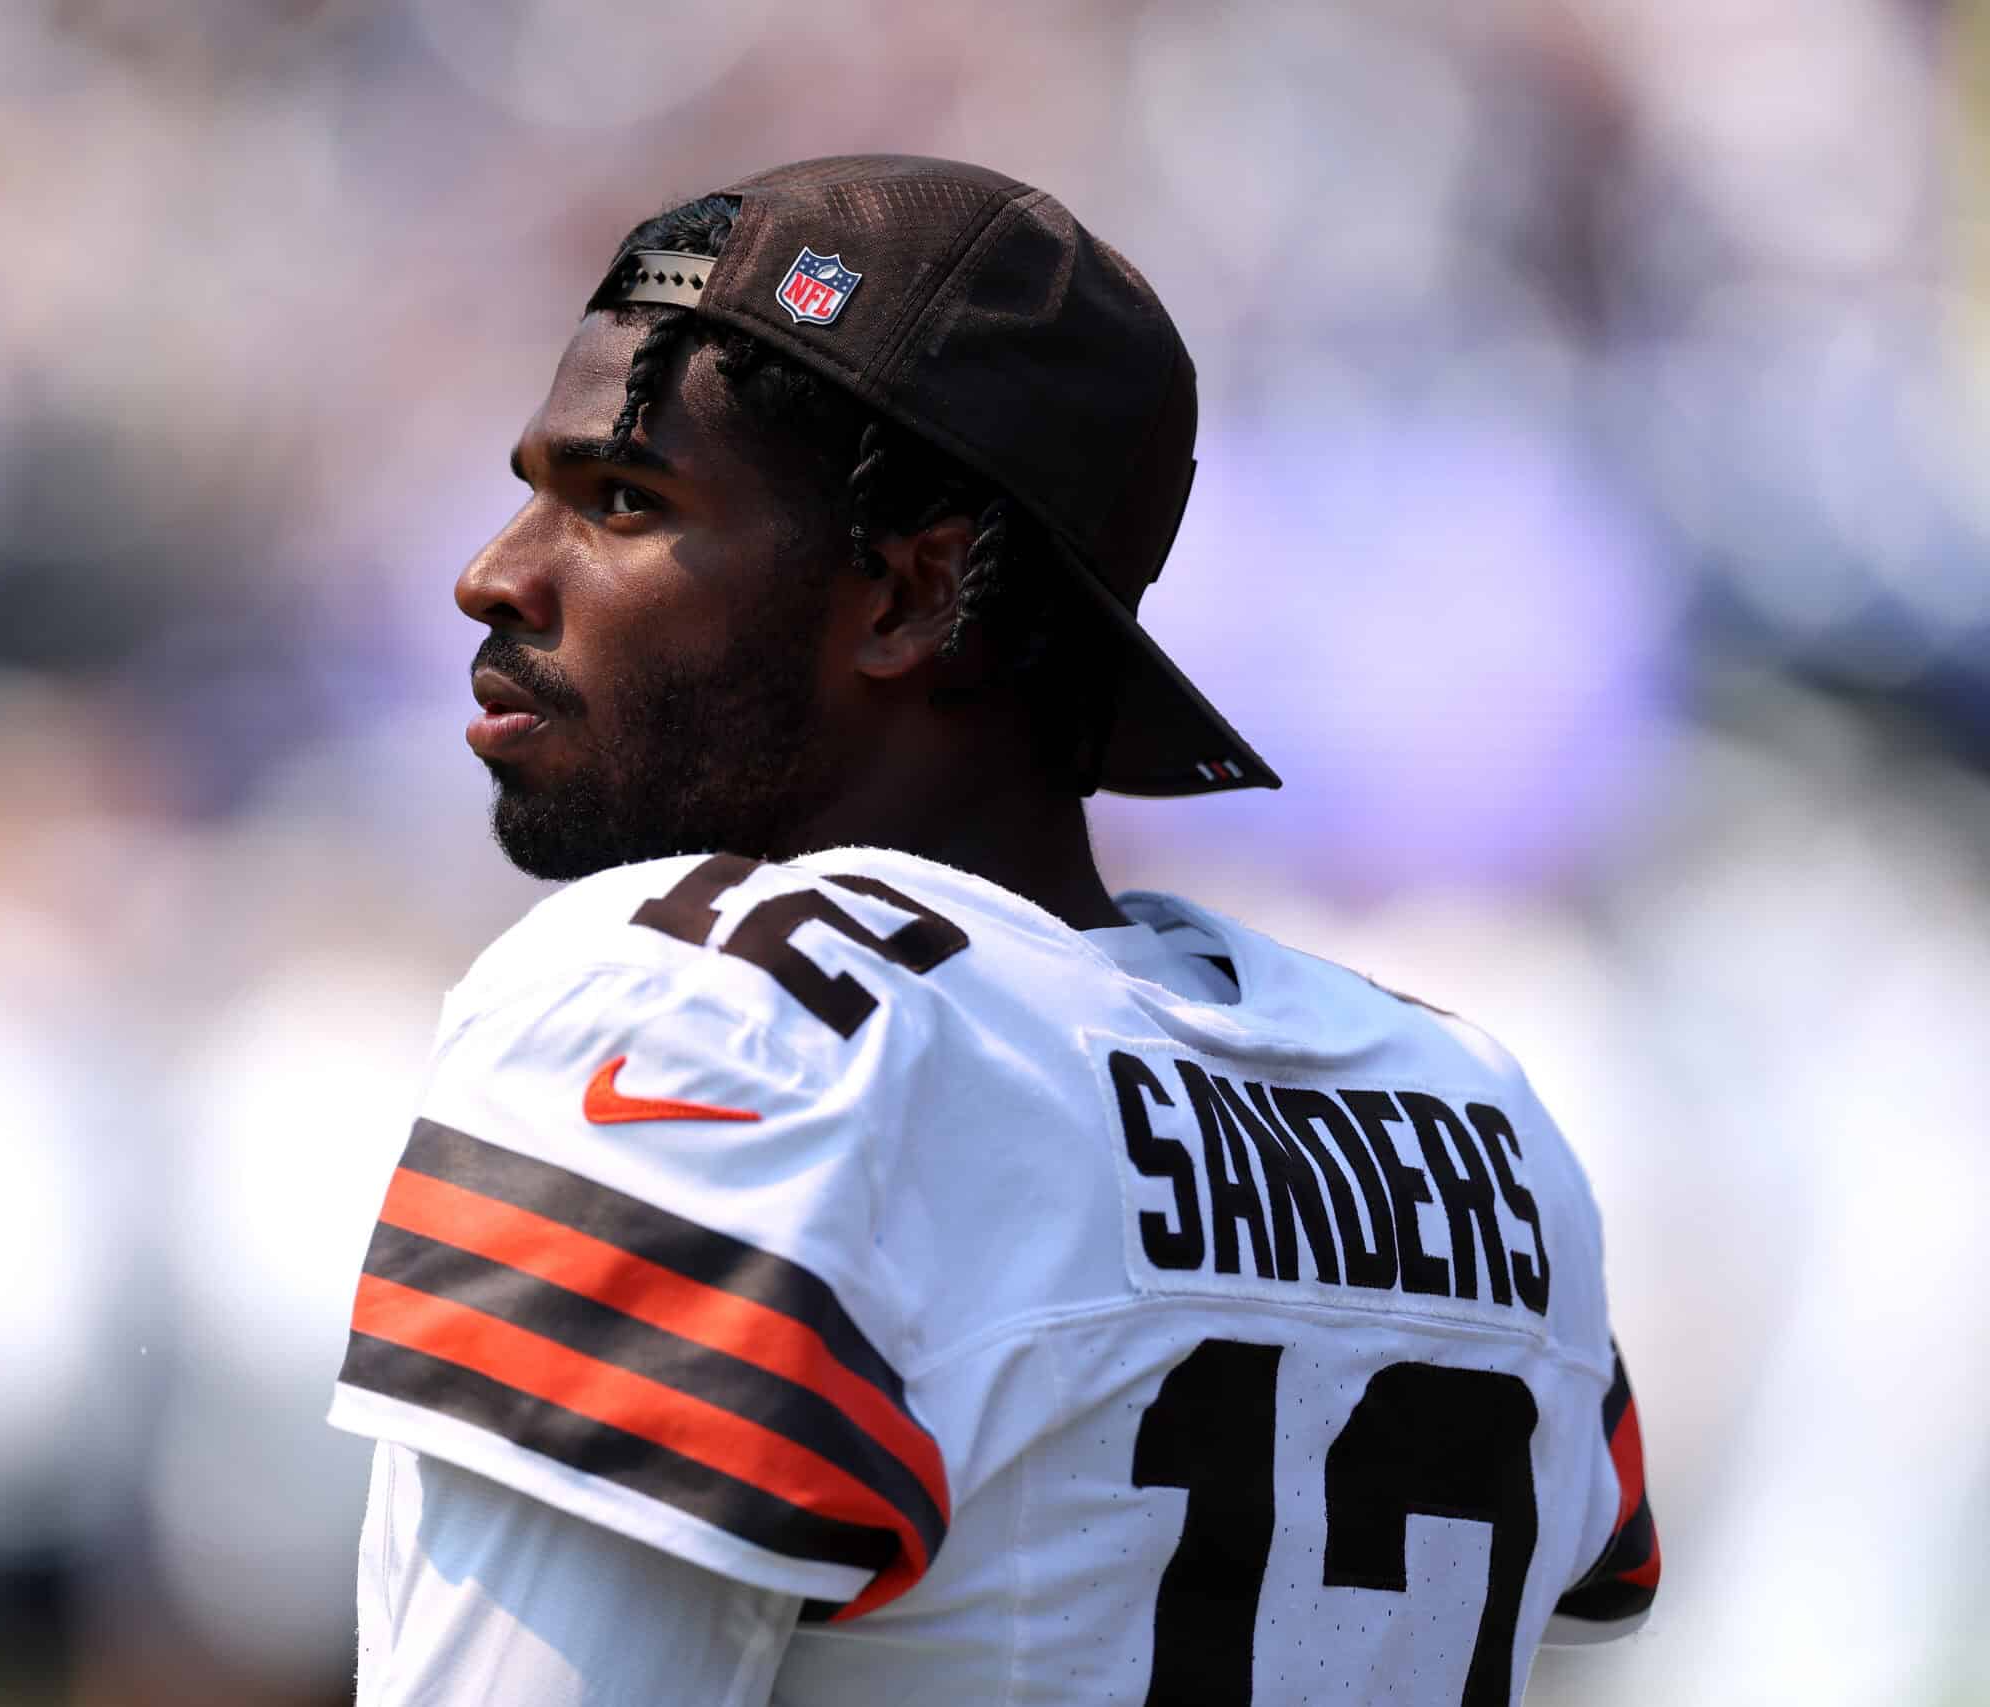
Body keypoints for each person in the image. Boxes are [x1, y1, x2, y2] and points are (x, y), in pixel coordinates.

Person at [327, 154, 1657, 1705]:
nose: (496, 574)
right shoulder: (1474, 1117)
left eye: (626, 500)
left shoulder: (716, 1018)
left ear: (912, 595)